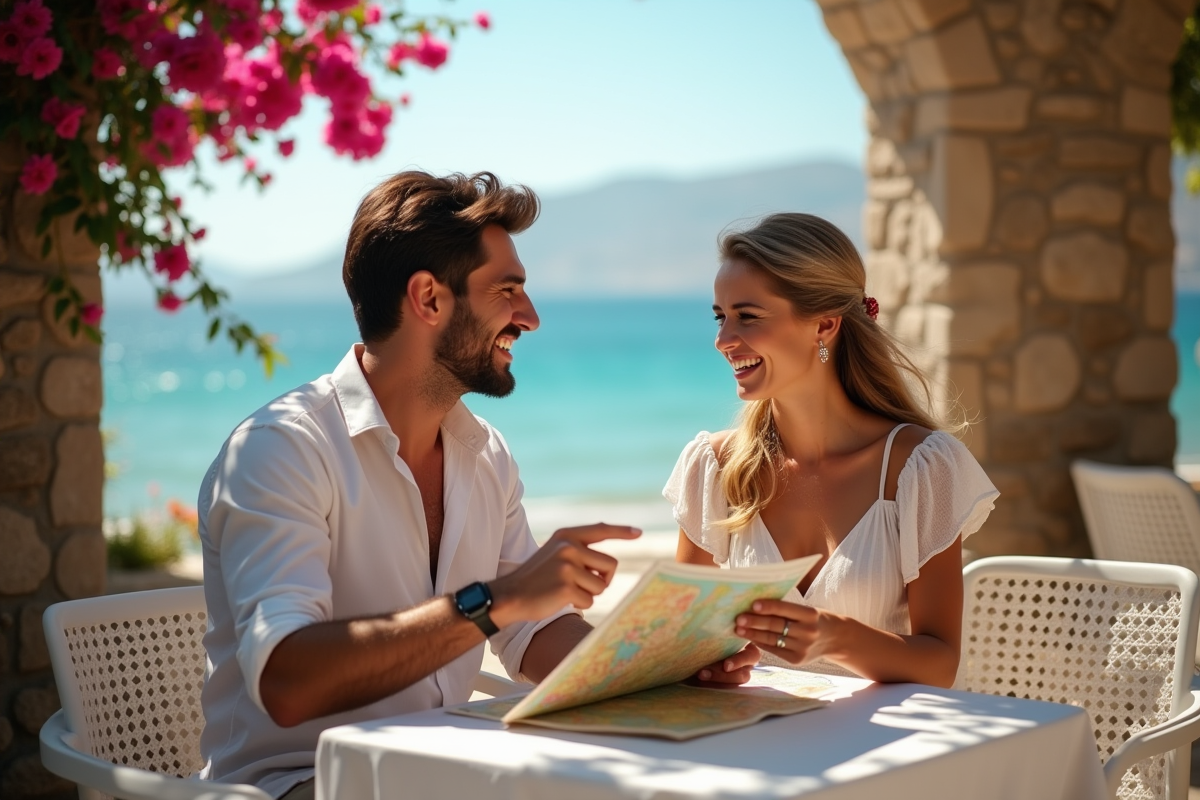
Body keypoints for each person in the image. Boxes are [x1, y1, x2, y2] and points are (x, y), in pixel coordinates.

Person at [197, 171, 639, 799]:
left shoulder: (485, 453)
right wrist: (498, 600)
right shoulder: (281, 449)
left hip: (439, 778)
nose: (530, 317)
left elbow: (533, 632)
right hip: (298, 785)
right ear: (429, 299)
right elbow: (287, 681)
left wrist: (656, 667)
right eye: (507, 290)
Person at [663, 213, 998, 688]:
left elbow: (940, 663)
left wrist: (832, 638)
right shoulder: (714, 468)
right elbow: (678, 646)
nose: (722, 341)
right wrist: (706, 668)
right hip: (752, 744)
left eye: (747, 317)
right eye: (721, 317)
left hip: (886, 751)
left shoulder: (919, 467)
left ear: (824, 325)